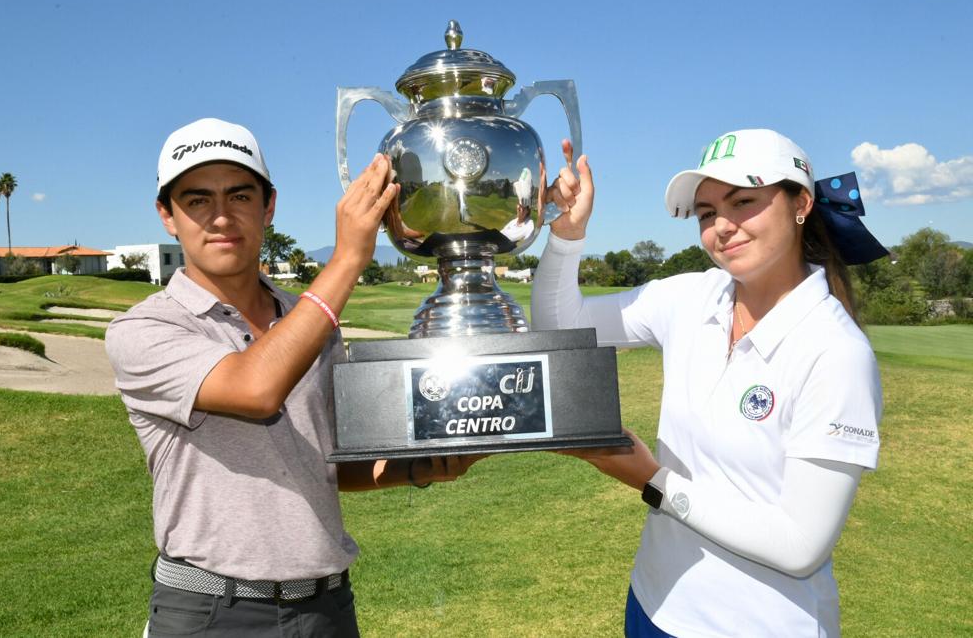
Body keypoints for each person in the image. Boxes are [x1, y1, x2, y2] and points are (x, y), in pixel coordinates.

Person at [106, 117, 477, 637]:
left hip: (326, 606)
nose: (220, 218)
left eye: (239, 196)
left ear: (268, 206)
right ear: (167, 215)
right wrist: (348, 258)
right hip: (213, 611)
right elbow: (256, 389)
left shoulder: (309, 324)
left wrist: (419, 467)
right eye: (196, 201)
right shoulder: (144, 328)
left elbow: (326, 463)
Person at [531, 129, 887, 637]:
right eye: (706, 213)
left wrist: (653, 481)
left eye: (743, 201)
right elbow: (563, 330)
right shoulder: (693, 297)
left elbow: (801, 545)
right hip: (655, 602)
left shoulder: (836, 352)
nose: (723, 226)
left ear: (801, 203)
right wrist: (566, 233)